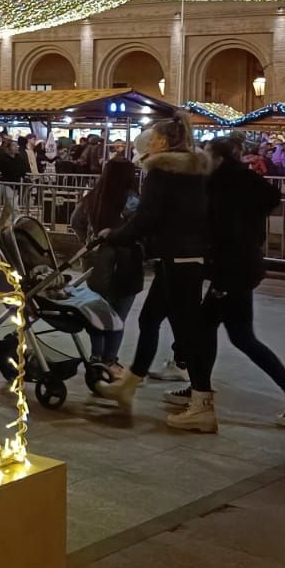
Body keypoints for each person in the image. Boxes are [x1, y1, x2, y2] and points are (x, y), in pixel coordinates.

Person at [170, 136, 285, 426]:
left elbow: (227, 234)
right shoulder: (243, 181)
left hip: (232, 271)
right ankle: (200, 387)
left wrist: (222, 274)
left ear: (220, 159)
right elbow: (267, 201)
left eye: (208, 155)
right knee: (211, 330)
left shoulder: (223, 189)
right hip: (243, 267)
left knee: (239, 337)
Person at [99, 118, 212, 426]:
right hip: (185, 258)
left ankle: (202, 403)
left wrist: (115, 234)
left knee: (188, 331)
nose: (147, 144)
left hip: (178, 259)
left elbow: (146, 217)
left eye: (152, 139)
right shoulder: (196, 171)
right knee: (149, 319)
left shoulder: (160, 172)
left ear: (162, 142)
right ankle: (129, 386)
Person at [71, 157, 143, 374]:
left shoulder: (91, 198)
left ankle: (95, 356)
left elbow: (76, 221)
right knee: (117, 316)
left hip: (95, 262)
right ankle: (110, 360)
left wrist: (87, 241)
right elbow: (140, 228)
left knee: (99, 311)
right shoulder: (132, 200)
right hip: (125, 262)